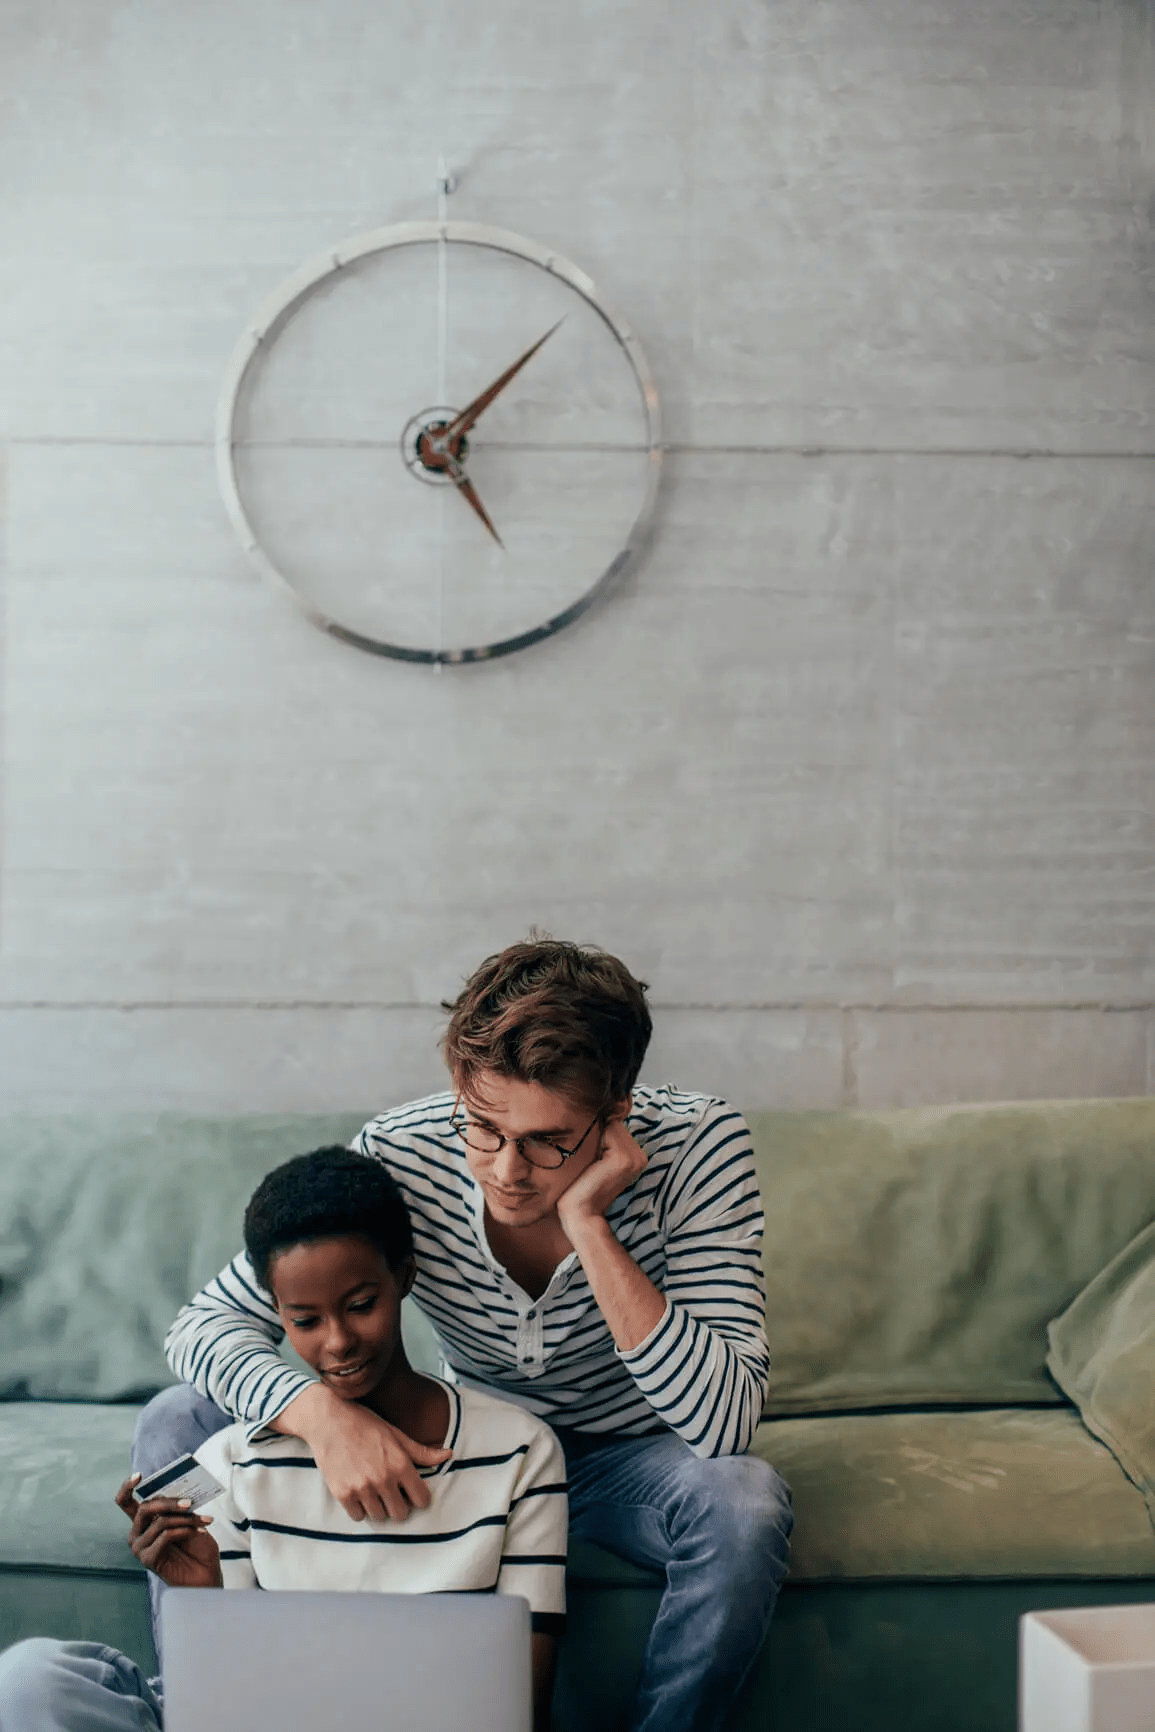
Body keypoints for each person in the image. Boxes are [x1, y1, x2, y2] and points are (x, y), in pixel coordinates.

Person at [141, 937, 793, 1732]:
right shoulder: (402, 1151)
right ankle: (197, 1708)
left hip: (627, 1462)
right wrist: (324, 1418)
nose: (507, 1171)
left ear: (615, 1114)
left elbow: (721, 1426)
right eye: (482, 1127)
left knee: (744, 1503)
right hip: (473, 1458)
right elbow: (204, 1326)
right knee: (174, 1423)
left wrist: (587, 1224)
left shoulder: (700, 1146)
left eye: (548, 1141)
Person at [0, 1148, 566, 1732]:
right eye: (305, 1321)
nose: (338, 1342)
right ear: (275, 1312)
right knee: (28, 1681)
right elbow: (227, 1709)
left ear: (404, 1275)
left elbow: (520, 1706)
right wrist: (202, 1597)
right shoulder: (233, 1464)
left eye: (361, 1306)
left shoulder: (520, 1452)